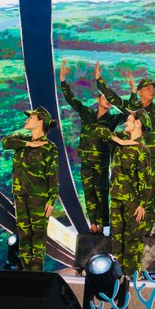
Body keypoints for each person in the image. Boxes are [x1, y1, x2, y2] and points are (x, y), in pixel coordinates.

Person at [97, 65, 155, 223]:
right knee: (131, 189)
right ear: (140, 91)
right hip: (132, 155)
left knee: (148, 191)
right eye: (148, 88)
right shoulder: (133, 110)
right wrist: (99, 81)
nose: (152, 91)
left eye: (153, 89)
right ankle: (130, 223)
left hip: (150, 156)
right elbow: (113, 98)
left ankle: (147, 226)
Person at [60, 61, 128, 233]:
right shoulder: (88, 113)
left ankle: (103, 225)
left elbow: (128, 112)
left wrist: (101, 83)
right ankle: (93, 224)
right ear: (98, 99)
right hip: (86, 161)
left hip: (101, 162)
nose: (107, 101)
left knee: (101, 193)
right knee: (89, 192)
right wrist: (63, 81)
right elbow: (72, 100)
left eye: (109, 99)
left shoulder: (113, 119)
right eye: (104, 97)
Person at [95, 109, 152, 278]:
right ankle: (116, 275)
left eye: (129, 120)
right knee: (116, 239)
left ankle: (131, 276)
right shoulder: (120, 139)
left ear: (138, 123)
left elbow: (145, 180)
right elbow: (98, 130)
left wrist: (143, 204)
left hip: (133, 201)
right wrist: (118, 140)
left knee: (132, 240)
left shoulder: (142, 149)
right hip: (116, 198)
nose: (126, 123)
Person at [2, 106, 59, 272]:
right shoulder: (21, 140)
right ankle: (26, 269)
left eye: (31, 117)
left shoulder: (49, 147)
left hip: (38, 196)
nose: (27, 120)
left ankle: (36, 270)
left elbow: (53, 175)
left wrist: (52, 199)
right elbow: (6, 142)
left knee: (38, 234)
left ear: (40, 122)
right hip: (20, 194)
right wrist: (28, 143)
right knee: (24, 233)